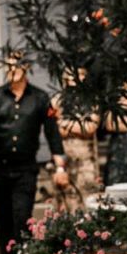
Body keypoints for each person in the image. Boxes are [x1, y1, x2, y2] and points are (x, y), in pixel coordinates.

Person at [0, 52, 65, 254]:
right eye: (8, 65)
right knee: (2, 224)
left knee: (22, 220)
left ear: (26, 67)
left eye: (17, 65)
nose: (12, 69)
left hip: (25, 169)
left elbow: (52, 133)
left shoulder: (40, 98)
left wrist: (60, 166)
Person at [51, 68, 101, 211]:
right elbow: (54, 129)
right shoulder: (55, 100)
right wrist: (79, 125)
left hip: (87, 161)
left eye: (79, 74)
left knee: (89, 204)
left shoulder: (92, 100)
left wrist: (64, 122)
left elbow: (90, 129)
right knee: (65, 205)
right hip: (63, 159)